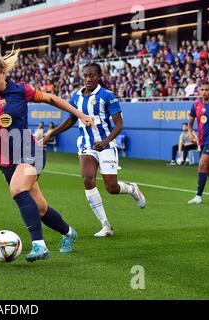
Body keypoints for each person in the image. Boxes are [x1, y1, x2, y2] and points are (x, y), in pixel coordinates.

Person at [0, 48, 94, 262]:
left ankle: (39, 245)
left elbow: (51, 99)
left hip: (30, 151)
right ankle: (69, 233)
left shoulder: (20, 90)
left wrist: (80, 114)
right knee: (41, 209)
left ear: (3, 73)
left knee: (17, 189)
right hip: (6, 161)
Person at [41, 62, 146, 238]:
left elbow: (119, 124)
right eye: (85, 75)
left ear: (99, 77)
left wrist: (105, 141)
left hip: (105, 145)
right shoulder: (76, 97)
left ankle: (132, 189)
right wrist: (51, 134)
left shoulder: (108, 96)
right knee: (87, 179)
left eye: (91, 75)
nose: (88, 79)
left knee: (111, 188)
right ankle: (106, 226)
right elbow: (71, 120)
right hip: (86, 144)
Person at [187, 81, 209, 204]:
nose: (204, 92)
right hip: (202, 141)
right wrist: (192, 136)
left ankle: (198, 196)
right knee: (208, 170)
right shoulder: (196, 105)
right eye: (202, 90)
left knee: (202, 164)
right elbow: (190, 126)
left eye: (206, 90)